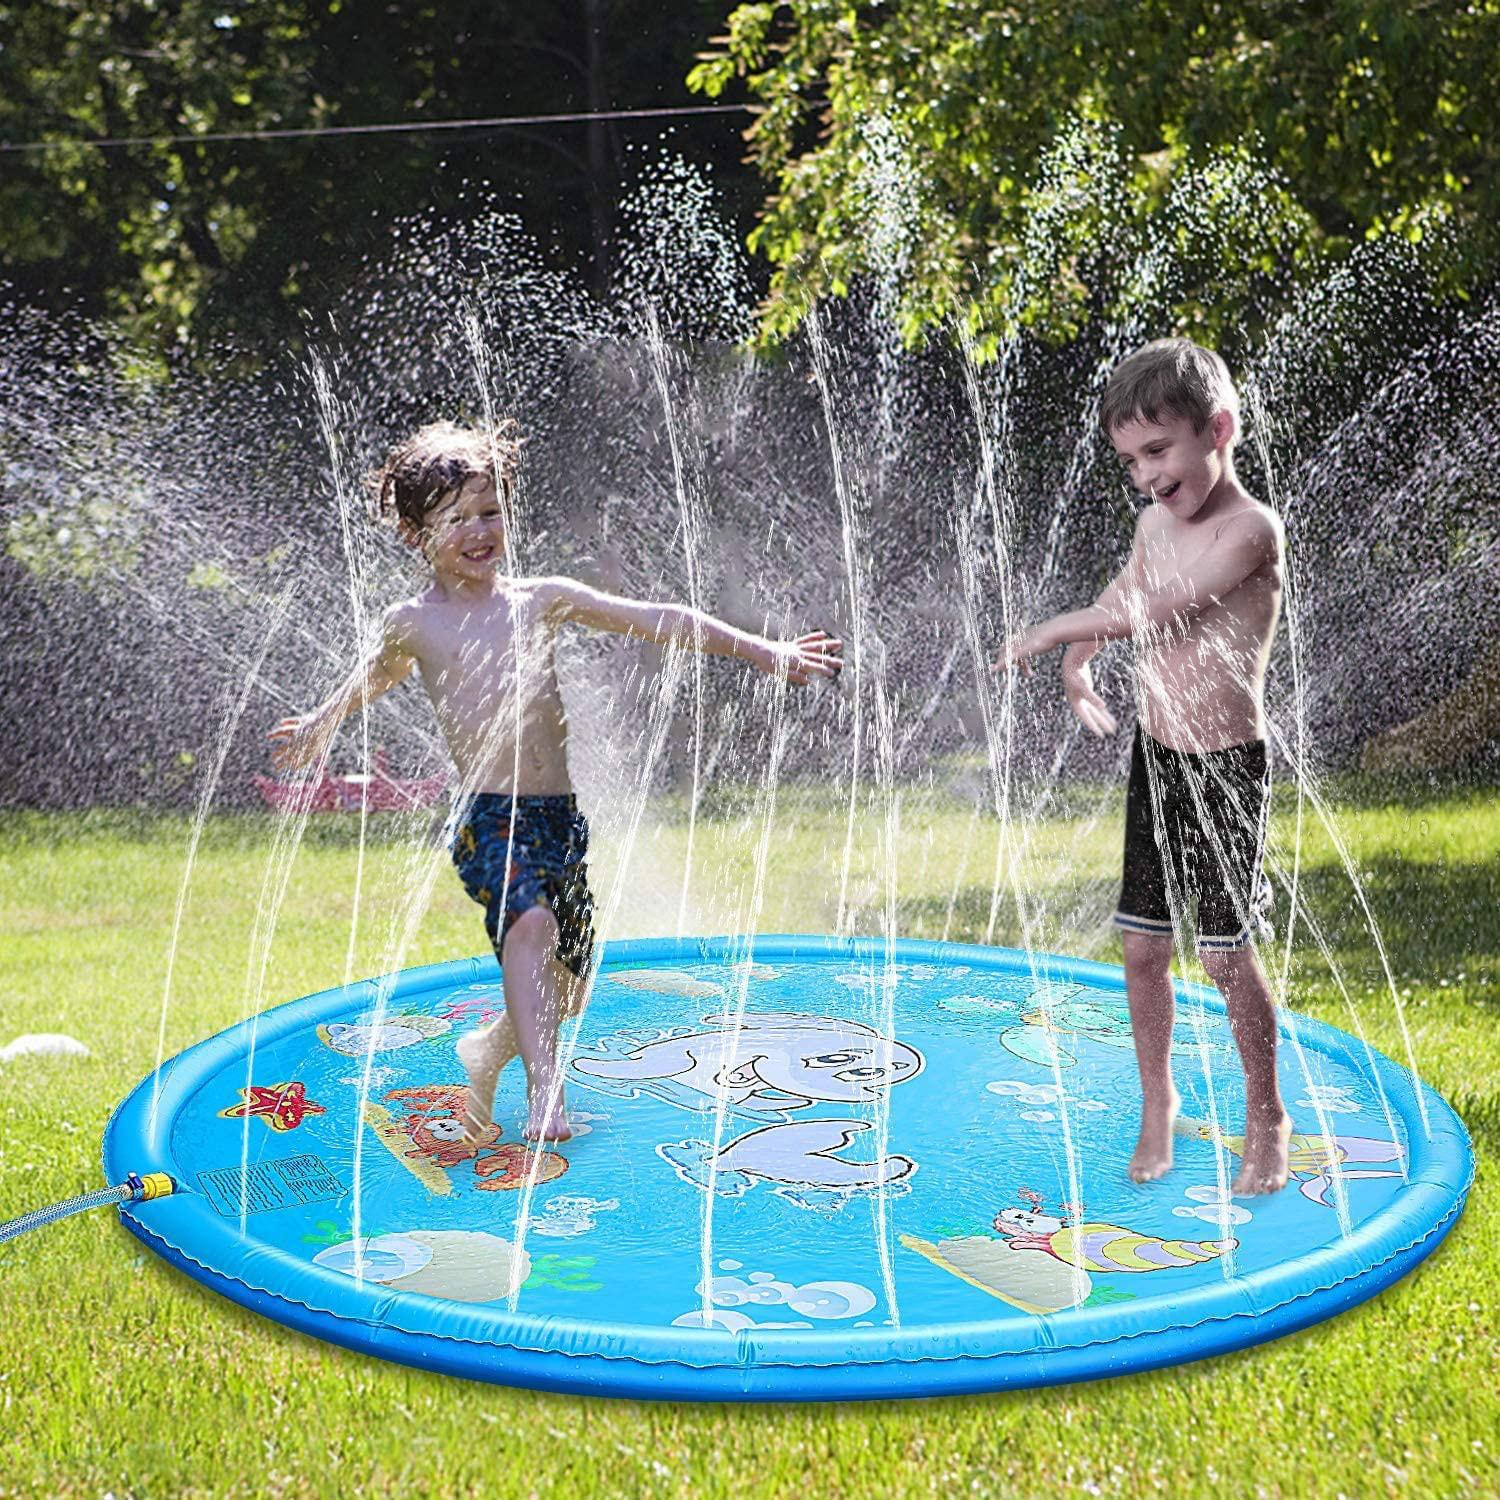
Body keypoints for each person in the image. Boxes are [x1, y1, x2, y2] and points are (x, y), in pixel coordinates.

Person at [270, 420, 841, 1143]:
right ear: (417, 535)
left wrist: (766, 652)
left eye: (490, 512)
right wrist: (323, 721)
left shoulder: (539, 599)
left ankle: (487, 1049)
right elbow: (378, 674)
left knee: (569, 983)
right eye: (456, 520)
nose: (480, 532)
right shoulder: (412, 621)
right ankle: (546, 1088)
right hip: (489, 815)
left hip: (556, 818)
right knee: (530, 923)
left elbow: (659, 619)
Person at [998, 339, 1292, 1195]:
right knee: (1140, 947)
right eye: (1130, 460)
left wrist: (1055, 628)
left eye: (1158, 451)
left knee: (1226, 958)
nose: (1146, 476)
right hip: (1159, 760)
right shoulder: (1153, 521)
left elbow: (1168, 607)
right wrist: (1077, 662)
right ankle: (1156, 1098)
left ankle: (1265, 1110)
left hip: (1227, 769)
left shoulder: (1249, 531)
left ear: (1219, 430)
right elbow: (1128, 594)